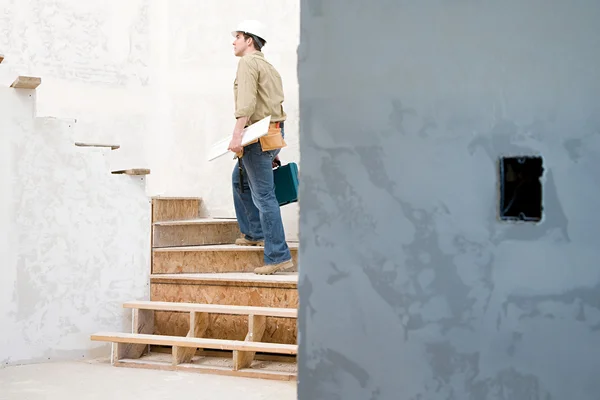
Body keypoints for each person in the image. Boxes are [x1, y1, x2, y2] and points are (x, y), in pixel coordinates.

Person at [228, 20, 293, 275]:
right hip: (272, 131)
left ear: (249, 40)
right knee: (239, 180)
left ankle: (278, 255)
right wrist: (274, 148)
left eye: (238, 36)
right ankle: (254, 232)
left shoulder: (247, 63)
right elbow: (275, 106)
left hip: (256, 135)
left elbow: (246, 103)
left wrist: (236, 136)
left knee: (264, 196)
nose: (234, 41)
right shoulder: (269, 67)